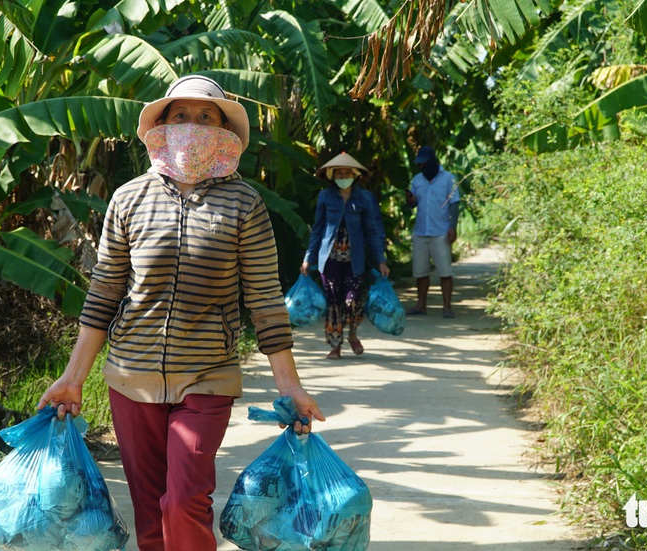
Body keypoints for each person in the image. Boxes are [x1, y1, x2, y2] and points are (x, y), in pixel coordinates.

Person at [37, 75, 325, 551]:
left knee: (184, 500)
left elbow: (265, 298)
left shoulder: (244, 203)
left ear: (223, 132)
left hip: (208, 374)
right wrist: (73, 377)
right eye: (180, 115)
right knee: (150, 514)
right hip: (131, 375)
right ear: (162, 126)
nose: (192, 124)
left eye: (206, 117)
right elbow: (105, 290)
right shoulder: (129, 199)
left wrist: (290, 386)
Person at [301, 152, 389, 360]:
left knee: (352, 301)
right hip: (329, 260)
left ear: (355, 175)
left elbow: (371, 231)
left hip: (355, 260)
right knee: (334, 303)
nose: (343, 176)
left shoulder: (364, 198)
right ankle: (335, 346)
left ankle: (352, 335)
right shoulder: (326, 197)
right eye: (339, 173)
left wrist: (381, 260)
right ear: (332, 176)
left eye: (346, 172)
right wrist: (308, 258)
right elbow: (318, 230)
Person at [405, 145, 460, 318]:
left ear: (432, 162)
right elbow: (412, 204)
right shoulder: (417, 180)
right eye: (419, 164)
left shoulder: (448, 179)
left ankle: (447, 307)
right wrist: (411, 200)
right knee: (420, 272)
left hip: (441, 232)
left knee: (445, 271)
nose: (421, 167)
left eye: (424, 163)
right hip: (421, 231)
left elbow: (454, 204)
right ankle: (421, 305)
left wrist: (453, 227)